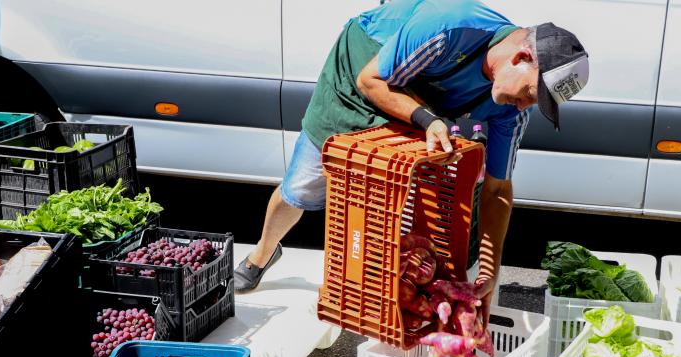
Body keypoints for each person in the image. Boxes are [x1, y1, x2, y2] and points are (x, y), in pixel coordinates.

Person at [235, 0, 589, 323]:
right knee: (303, 185)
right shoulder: (450, 27)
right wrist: (427, 119)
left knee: (396, 198)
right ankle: (262, 255)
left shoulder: (510, 113)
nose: (526, 106)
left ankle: (373, 297)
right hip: (365, 69)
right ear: (521, 57)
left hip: (419, 99)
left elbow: (497, 189)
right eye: (530, 94)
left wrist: (489, 273)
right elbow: (370, 79)